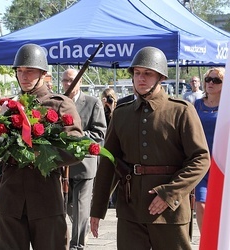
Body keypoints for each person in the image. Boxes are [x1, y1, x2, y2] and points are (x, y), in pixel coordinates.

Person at [90, 46, 210, 250]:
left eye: (147, 73)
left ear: (161, 77)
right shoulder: (121, 113)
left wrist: (169, 194)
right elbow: (110, 163)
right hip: (131, 209)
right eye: (137, 73)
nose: (141, 78)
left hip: (170, 211)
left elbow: (200, 159)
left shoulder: (180, 110)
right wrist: (97, 209)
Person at [0, 43, 83, 249]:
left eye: (30, 71)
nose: (24, 76)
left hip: (45, 198)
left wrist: (39, 155)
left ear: (43, 73)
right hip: (11, 198)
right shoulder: (8, 107)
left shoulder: (60, 105)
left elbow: (76, 148)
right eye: (20, 71)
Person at [62, 68, 106, 250]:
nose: (67, 83)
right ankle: (82, 227)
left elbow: (99, 133)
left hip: (83, 164)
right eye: (64, 80)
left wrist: (76, 136)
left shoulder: (93, 103)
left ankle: (77, 244)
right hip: (63, 165)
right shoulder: (59, 102)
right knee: (68, 207)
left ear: (80, 81)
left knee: (80, 207)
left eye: (71, 80)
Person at [193, 67, 224, 232]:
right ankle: (207, 242)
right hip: (201, 163)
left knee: (221, 208)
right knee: (201, 204)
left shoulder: (227, 106)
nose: (210, 83)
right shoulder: (197, 104)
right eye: (208, 79)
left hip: (222, 164)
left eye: (216, 80)